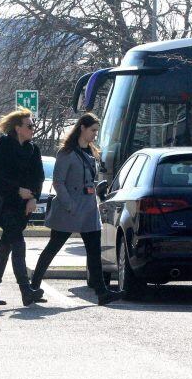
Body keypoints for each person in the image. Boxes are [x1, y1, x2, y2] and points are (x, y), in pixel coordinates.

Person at [30, 113, 123, 305]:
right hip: (69, 208)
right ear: (82, 128)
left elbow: (89, 180)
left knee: (94, 251)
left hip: (89, 207)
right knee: (53, 247)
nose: (95, 135)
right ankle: (34, 285)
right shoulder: (66, 153)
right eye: (93, 130)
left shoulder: (91, 152)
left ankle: (101, 292)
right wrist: (70, 204)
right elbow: (58, 182)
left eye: (96, 131)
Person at [0, 108, 45, 306]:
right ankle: (25, 290)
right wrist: (17, 190)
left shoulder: (33, 149)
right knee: (18, 244)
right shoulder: (3, 145)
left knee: (6, 245)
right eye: (29, 126)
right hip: (5, 204)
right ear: (18, 128)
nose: (32, 129)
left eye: (33, 125)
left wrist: (33, 197)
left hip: (24, 206)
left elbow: (39, 177)